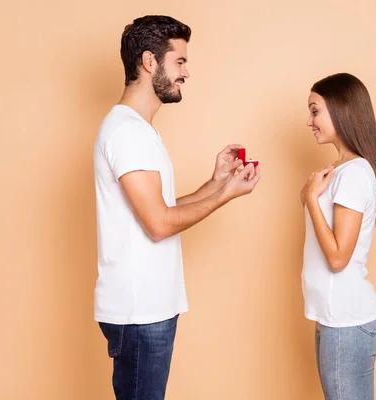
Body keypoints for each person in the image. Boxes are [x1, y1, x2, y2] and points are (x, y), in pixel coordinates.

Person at [93, 15, 261, 399]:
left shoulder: (138, 130)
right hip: (140, 313)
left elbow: (159, 209)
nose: (186, 73)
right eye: (180, 61)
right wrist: (225, 195)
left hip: (149, 309)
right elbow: (159, 224)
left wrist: (217, 183)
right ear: (150, 62)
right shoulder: (127, 132)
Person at [300, 73, 376, 400]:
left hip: (347, 323)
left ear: (341, 111)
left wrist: (311, 199)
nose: (309, 121)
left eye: (315, 111)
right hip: (337, 318)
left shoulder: (353, 175)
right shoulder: (341, 171)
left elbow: (338, 258)